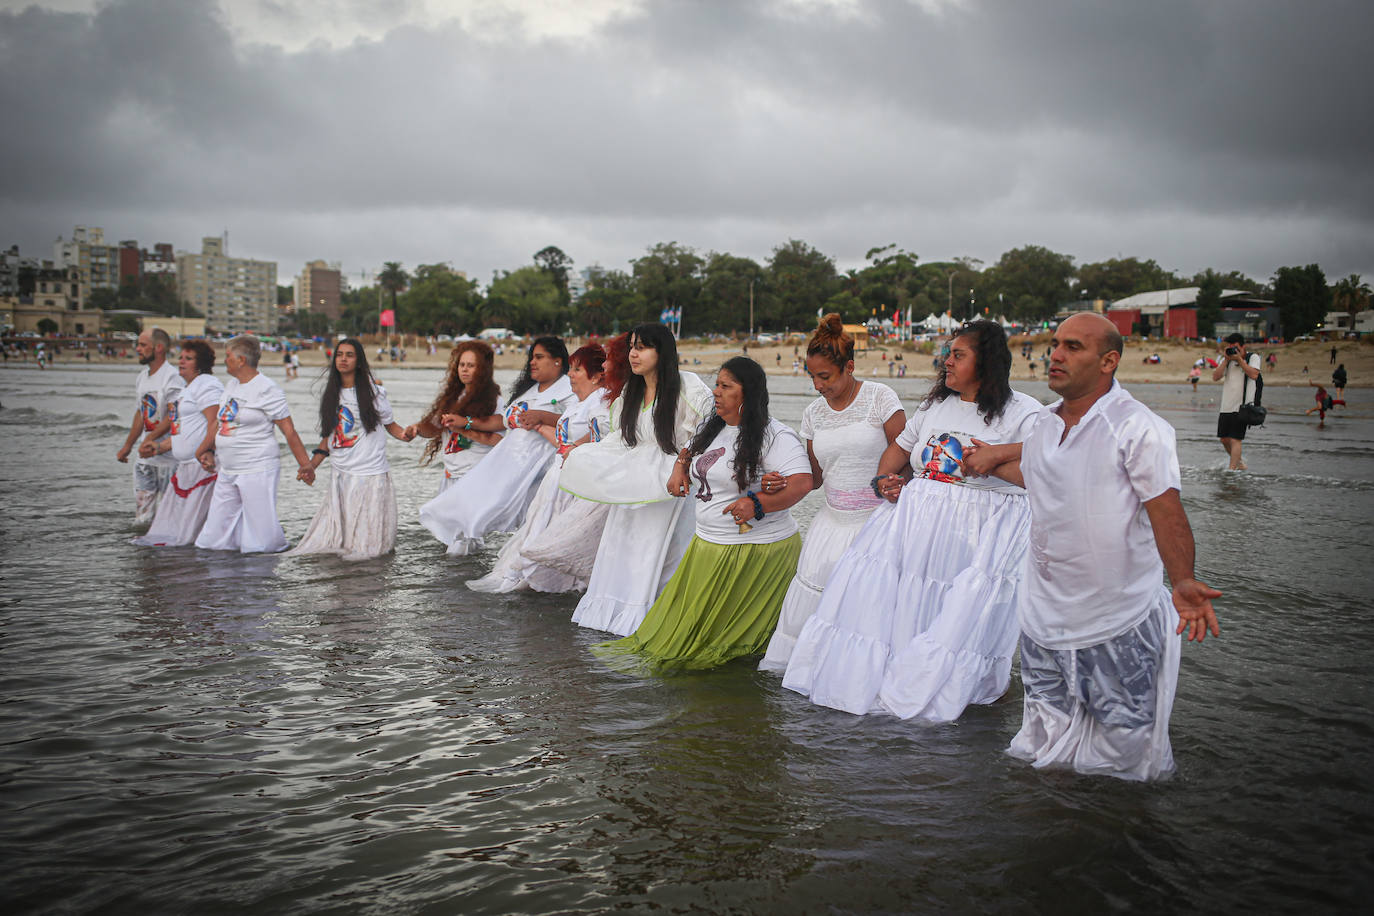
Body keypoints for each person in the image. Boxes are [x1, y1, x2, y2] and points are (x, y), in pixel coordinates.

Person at [973, 313, 1220, 781]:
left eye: (1072, 347)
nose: (1056, 355)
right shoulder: (1042, 425)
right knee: (1043, 741)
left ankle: (1115, 838)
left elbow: (1167, 513)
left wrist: (1184, 581)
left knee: (1122, 747)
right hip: (1044, 618)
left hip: (1115, 619)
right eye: (1054, 344)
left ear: (1109, 361)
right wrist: (981, 465)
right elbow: (1042, 479)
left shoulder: (1138, 428)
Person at [781, 320, 1040, 722]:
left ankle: (962, 698)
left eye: (958, 355)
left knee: (959, 621)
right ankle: (898, 687)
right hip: (917, 528)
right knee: (896, 611)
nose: (946, 362)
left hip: (978, 535)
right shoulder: (937, 406)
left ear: (986, 362)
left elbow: (1043, 475)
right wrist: (885, 479)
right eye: (948, 353)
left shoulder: (1024, 413)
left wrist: (991, 460)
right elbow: (900, 450)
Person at [604, 357, 812, 669]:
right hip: (708, 545)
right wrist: (680, 469)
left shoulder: (775, 436)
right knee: (679, 636)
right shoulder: (712, 426)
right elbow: (688, 451)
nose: (716, 392)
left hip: (753, 553)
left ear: (748, 394)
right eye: (717, 384)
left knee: (726, 646)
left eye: (726, 386)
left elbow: (803, 482)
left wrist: (758, 504)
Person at [759, 315, 904, 673]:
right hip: (830, 525)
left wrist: (897, 483)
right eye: (812, 376)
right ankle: (815, 673)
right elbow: (815, 477)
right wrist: (778, 480)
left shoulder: (880, 398)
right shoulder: (812, 414)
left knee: (869, 609)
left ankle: (862, 677)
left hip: (878, 523)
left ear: (849, 367)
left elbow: (908, 457)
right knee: (817, 609)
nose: (817, 385)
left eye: (825, 376)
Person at [559, 323, 713, 635]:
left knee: (658, 553)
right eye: (632, 346)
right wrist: (584, 456)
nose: (633, 353)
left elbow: (707, 429)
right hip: (632, 483)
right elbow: (620, 440)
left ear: (662, 352)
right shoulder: (632, 391)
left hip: (668, 483)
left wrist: (683, 463)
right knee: (622, 549)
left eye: (642, 347)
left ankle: (654, 617)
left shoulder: (689, 386)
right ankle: (614, 615)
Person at [468, 342, 615, 593]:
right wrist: (538, 426)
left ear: (597, 375)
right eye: (572, 369)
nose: (570, 374)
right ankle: (541, 581)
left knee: (557, 537)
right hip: (558, 477)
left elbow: (601, 439)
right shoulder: (579, 404)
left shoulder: (600, 402)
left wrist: (575, 447)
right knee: (540, 529)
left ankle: (564, 582)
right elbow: (563, 441)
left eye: (577, 370)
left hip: (576, 481)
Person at [419, 337, 572, 555]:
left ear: (557, 361)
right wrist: (466, 422)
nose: (532, 363)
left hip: (539, 470)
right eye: (531, 358)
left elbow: (576, 422)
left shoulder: (568, 389)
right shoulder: (528, 392)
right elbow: (500, 421)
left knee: (533, 526)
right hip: (509, 464)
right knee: (470, 511)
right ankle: (461, 563)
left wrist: (542, 417)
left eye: (539, 357)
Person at [288, 340, 413, 560]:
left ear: (359, 361)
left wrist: (408, 435)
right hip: (341, 475)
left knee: (367, 546)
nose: (343, 359)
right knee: (339, 543)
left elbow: (392, 427)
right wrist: (310, 466)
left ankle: (367, 583)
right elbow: (327, 439)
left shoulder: (374, 393)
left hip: (368, 474)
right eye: (339, 355)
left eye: (349, 355)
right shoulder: (331, 395)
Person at [193, 335, 316, 553]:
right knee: (212, 538)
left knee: (261, 540)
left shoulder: (267, 389)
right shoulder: (231, 385)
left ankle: (261, 577)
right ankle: (220, 579)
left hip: (257, 467)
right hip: (228, 468)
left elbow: (289, 431)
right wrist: (205, 449)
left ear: (241, 360)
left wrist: (305, 465)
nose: (225, 360)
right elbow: (220, 422)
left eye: (228, 356)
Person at [130, 340, 225, 547]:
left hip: (203, 468)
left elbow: (216, 422)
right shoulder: (185, 390)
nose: (181, 362)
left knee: (193, 532)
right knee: (175, 530)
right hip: (184, 469)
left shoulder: (207, 384)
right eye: (181, 357)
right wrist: (158, 447)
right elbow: (180, 432)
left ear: (200, 364)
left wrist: (206, 450)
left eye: (188, 359)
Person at [405, 341, 504, 493]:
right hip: (450, 475)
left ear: (482, 369)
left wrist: (464, 426)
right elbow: (433, 429)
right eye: (461, 364)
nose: (464, 369)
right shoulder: (452, 397)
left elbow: (499, 436)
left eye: (470, 365)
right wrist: (416, 429)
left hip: (476, 475)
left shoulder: (494, 400)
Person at [115, 328, 184, 524]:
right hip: (145, 460)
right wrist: (128, 446)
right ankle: (144, 552)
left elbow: (174, 416)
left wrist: (150, 439)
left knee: (171, 516)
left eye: (143, 345)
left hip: (169, 460)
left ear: (159, 348)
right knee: (142, 518)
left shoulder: (172, 377)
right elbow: (141, 413)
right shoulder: (142, 377)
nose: (138, 349)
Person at [1212, 332, 1261, 471]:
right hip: (1226, 405)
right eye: (1230, 347)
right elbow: (1215, 377)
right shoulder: (1227, 360)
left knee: (1235, 439)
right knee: (1224, 439)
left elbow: (1254, 374)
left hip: (1243, 406)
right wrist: (1226, 360)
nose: (1233, 350)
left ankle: (1231, 470)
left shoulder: (1253, 357)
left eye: (1235, 347)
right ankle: (1239, 464)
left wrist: (1239, 359)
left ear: (1242, 346)